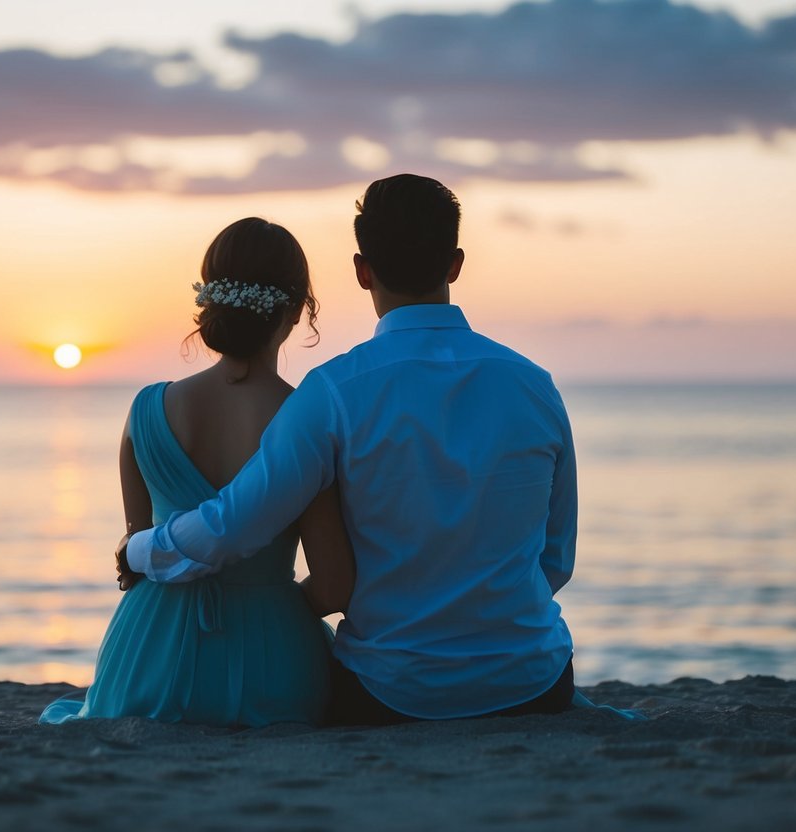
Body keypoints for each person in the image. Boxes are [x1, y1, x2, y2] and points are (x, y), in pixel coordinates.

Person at [121, 174, 577, 724]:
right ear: (455, 264)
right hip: (534, 681)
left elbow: (232, 524)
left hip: (391, 691)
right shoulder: (534, 385)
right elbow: (555, 559)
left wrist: (138, 551)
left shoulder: (333, 393)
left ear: (362, 272)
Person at [41, 217, 355, 728]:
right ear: (298, 312)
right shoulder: (306, 422)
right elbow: (336, 585)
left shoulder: (146, 411)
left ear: (209, 301)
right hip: (273, 662)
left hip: (149, 656)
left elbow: (133, 556)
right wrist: (277, 605)